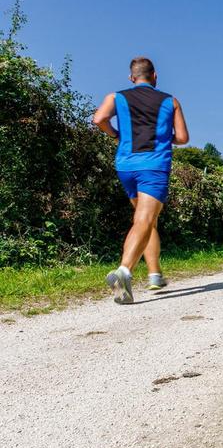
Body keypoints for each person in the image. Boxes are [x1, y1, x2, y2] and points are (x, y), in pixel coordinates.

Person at [92, 57, 189, 304]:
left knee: (146, 220)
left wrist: (115, 134)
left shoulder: (116, 97)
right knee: (145, 219)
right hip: (153, 166)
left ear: (131, 77)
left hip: (126, 165)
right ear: (154, 76)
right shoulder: (170, 101)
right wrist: (167, 139)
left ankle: (155, 273)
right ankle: (123, 271)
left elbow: (99, 119)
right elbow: (183, 137)